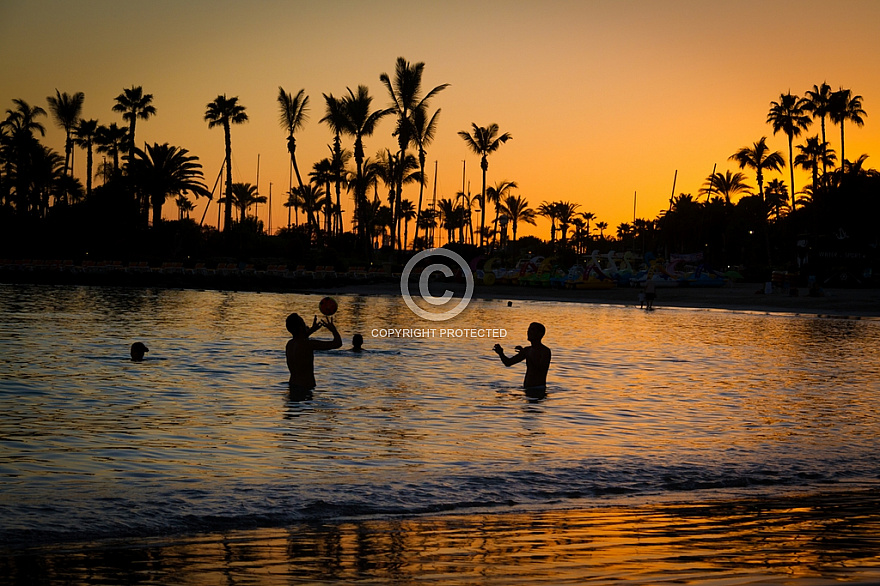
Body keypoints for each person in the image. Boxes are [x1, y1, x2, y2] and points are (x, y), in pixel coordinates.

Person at [285, 312, 342, 392]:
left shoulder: (289, 344)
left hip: (292, 385)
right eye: (304, 324)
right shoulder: (308, 344)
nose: (306, 326)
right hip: (306, 388)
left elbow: (300, 339)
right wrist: (333, 329)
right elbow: (337, 343)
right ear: (301, 328)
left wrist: (311, 330)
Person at [493, 322, 552, 395]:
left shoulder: (545, 351)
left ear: (540, 334)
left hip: (539, 389)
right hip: (527, 389)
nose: (528, 332)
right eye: (528, 329)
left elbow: (541, 369)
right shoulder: (527, 350)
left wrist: (528, 355)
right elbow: (508, 363)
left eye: (532, 330)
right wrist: (501, 353)